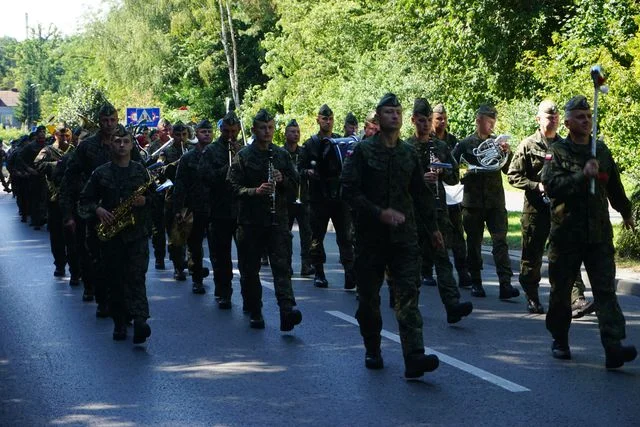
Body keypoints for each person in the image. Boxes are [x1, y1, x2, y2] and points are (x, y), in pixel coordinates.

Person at [341, 93, 441, 378]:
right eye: (388, 112)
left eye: (397, 111)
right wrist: (378, 213)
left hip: (404, 238)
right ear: (378, 117)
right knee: (369, 301)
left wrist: (432, 228)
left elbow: (421, 196)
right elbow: (348, 191)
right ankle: (372, 348)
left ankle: (414, 357)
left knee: (408, 298)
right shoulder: (363, 152)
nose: (394, 116)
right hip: (370, 239)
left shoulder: (409, 153)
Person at [541, 95, 636, 368]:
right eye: (580, 117)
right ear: (568, 122)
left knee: (605, 290)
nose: (586, 121)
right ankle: (560, 338)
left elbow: (614, 185)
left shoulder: (601, 150)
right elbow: (551, 185)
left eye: (588, 116)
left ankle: (613, 345)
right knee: (561, 292)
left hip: (598, 235)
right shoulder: (558, 151)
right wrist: (582, 175)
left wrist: (625, 211)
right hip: (566, 234)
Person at [507, 100, 593, 315]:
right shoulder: (528, 145)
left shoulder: (565, 146)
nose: (552, 119)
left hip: (560, 210)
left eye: (555, 117)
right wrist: (537, 186)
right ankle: (532, 295)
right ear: (538, 119)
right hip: (536, 210)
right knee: (532, 255)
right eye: (548, 116)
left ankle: (577, 298)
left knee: (568, 253)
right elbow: (513, 175)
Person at [60, 103, 142, 312]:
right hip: (94, 209)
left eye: (112, 120)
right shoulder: (87, 146)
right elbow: (69, 180)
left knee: (125, 262)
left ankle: (124, 304)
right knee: (95, 258)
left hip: (123, 210)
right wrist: (68, 214)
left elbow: (142, 172)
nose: (109, 124)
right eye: (105, 121)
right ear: (99, 122)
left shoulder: (125, 141)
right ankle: (100, 297)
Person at [228, 109, 302, 331]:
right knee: (250, 270)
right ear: (254, 129)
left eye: (270, 127)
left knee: (282, 266)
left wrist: (284, 180)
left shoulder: (280, 155)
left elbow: (295, 183)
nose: (267, 131)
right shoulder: (243, 156)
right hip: (250, 222)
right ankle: (256, 310)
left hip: (277, 220)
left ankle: (287, 311)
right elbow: (232, 187)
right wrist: (255, 191)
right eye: (263, 127)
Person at [79, 125, 152, 344]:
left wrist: (145, 201)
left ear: (131, 144)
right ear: (111, 144)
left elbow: (156, 198)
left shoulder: (141, 171)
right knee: (116, 279)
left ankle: (140, 321)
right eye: (117, 141)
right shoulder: (101, 173)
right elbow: (84, 200)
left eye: (126, 142)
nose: (121, 145)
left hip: (136, 233)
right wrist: (98, 210)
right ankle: (120, 322)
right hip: (112, 236)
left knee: (137, 277)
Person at [407, 98, 473, 323]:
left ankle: (452, 305)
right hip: (414, 213)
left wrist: (442, 174)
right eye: (421, 120)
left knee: (443, 259)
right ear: (413, 120)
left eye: (428, 121)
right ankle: (406, 303)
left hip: (437, 211)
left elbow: (455, 176)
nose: (425, 125)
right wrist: (420, 178)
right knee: (411, 261)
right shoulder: (405, 148)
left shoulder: (441, 147)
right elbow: (396, 181)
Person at [451, 105, 520, 300]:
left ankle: (505, 284)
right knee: (473, 244)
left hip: (495, 201)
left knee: (501, 242)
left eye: (493, 122)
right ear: (478, 121)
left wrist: (507, 153)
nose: (492, 126)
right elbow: (453, 170)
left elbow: (508, 170)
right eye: (489, 122)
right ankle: (476, 282)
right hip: (472, 202)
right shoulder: (465, 144)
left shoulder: (496, 143)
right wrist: (468, 171)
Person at [299, 104, 355, 290]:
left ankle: (349, 273)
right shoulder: (310, 144)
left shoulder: (340, 141)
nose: (328, 122)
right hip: (318, 197)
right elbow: (298, 169)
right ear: (318, 120)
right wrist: (308, 172)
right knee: (317, 237)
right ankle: (319, 273)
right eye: (324, 119)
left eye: (330, 118)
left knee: (345, 237)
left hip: (339, 196)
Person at [198, 112, 244, 308]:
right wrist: (229, 166)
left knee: (247, 258)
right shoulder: (211, 151)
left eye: (234, 131)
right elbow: (205, 178)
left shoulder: (245, 150)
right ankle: (223, 292)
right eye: (227, 131)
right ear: (221, 130)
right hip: (219, 210)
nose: (231, 135)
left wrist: (240, 158)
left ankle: (250, 298)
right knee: (221, 257)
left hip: (242, 211)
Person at [431, 104, 471, 287]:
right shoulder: (425, 141)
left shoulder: (452, 141)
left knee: (457, 233)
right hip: (432, 195)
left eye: (445, 118)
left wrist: (447, 172)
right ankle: (427, 271)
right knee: (432, 234)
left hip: (452, 194)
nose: (443, 122)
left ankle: (463, 273)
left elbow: (455, 170)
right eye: (439, 118)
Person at [34, 123, 79, 282]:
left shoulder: (74, 151)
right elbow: (37, 164)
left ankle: (75, 270)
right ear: (55, 136)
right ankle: (60, 264)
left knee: (74, 236)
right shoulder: (48, 150)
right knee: (57, 234)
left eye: (68, 136)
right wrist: (57, 164)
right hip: (55, 197)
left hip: (72, 198)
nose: (65, 139)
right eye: (62, 136)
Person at [172, 119, 213, 294]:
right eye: (203, 131)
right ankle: (197, 280)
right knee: (195, 246)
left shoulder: (218, 154)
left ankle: (221, 286)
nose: (207, 134)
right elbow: (180, 184)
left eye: (209, 131)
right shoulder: (188, 157)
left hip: (216, 208)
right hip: (194, 207)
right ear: (196, 133)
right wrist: (177, 209)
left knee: (218, 248)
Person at [283, 119, 314, 276]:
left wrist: (308, 172)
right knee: (285, 235)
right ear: (286, 134)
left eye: (298, 132)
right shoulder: (281, 153)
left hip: (303, 198)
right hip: (286, 199)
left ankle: (306, 264)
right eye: (292, 132)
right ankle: (286, 265)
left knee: (306, 234)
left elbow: (311, 168)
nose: (296, 135)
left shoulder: (304, 153)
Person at [159, 122, 189, 280]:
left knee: (190, 233)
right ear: (173, 135)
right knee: (175, 234)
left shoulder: (192, 150)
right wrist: (179, 163)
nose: (182, 138)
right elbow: (161, 172)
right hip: (172, 196)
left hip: (189, 198)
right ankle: (178, 266)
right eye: (178, 135)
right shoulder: (166, 152)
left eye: (184, 134)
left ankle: (192, 265)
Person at [16, 125, 48, 229]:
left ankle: (45, 218)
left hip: (46, 175)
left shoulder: (48, 145)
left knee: (46, 198)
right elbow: (20, 158)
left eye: (44, 131)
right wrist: (28, 169)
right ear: (37, 133)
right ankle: (36, 220)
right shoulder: (30, 146)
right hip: (34, 176)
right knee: (35, 199)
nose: (42, 133)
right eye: (40, 131)